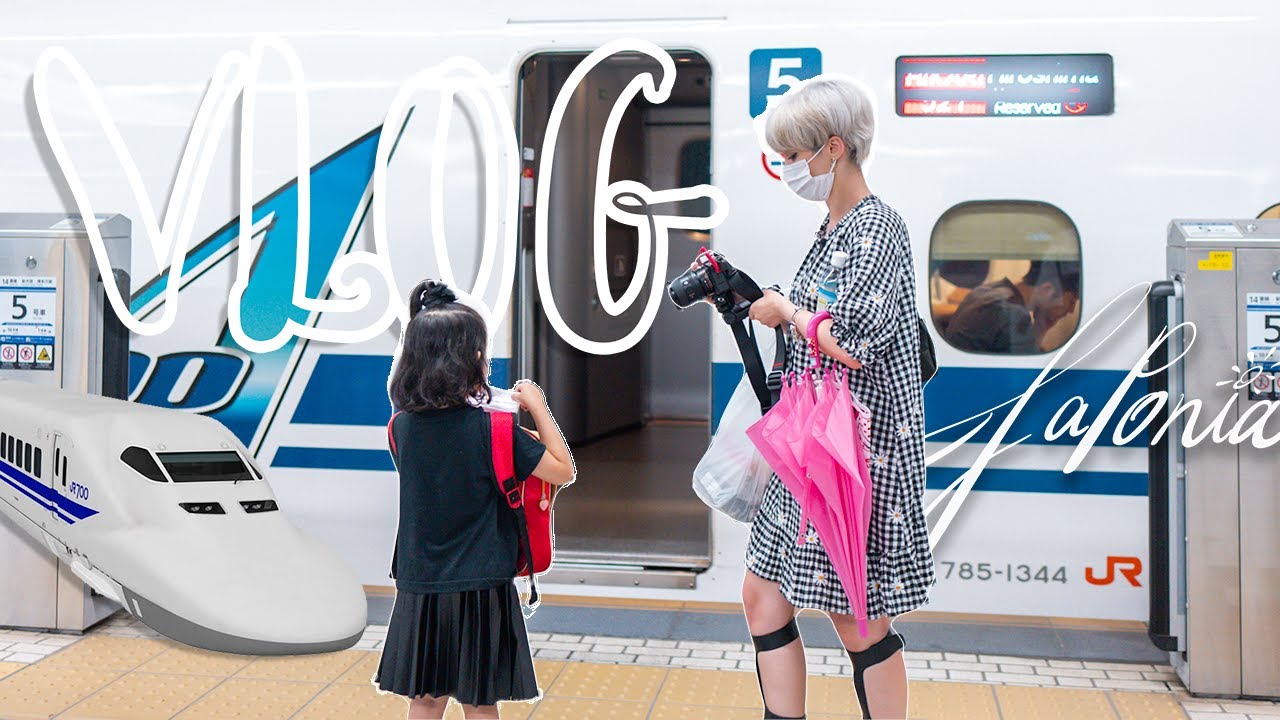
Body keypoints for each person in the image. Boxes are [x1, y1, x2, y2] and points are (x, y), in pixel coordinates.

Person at [743, 76, 936, 719]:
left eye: (795, 157)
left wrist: (789, 313)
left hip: (857, 454)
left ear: (833, 148)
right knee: (761, 593)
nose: (788, 169)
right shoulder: (834, 227)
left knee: (855, 615)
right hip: (811, 446)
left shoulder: (878, 228)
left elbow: (853, 338)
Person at [375, 279, 576, 720]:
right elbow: (563, 469)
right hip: (482, 582)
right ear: (470, 360)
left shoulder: (401, 428)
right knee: (480, 702)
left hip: (421, 580)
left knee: (425, 699)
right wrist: (537, 406)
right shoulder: (497, 430)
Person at [942, 260, 1080, 354]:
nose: (1071, 311)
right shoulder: (1013, 314)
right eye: (1072, 301)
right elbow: (1028, 375)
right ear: (1047, 290)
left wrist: (1041, 327)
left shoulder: (988, 290)